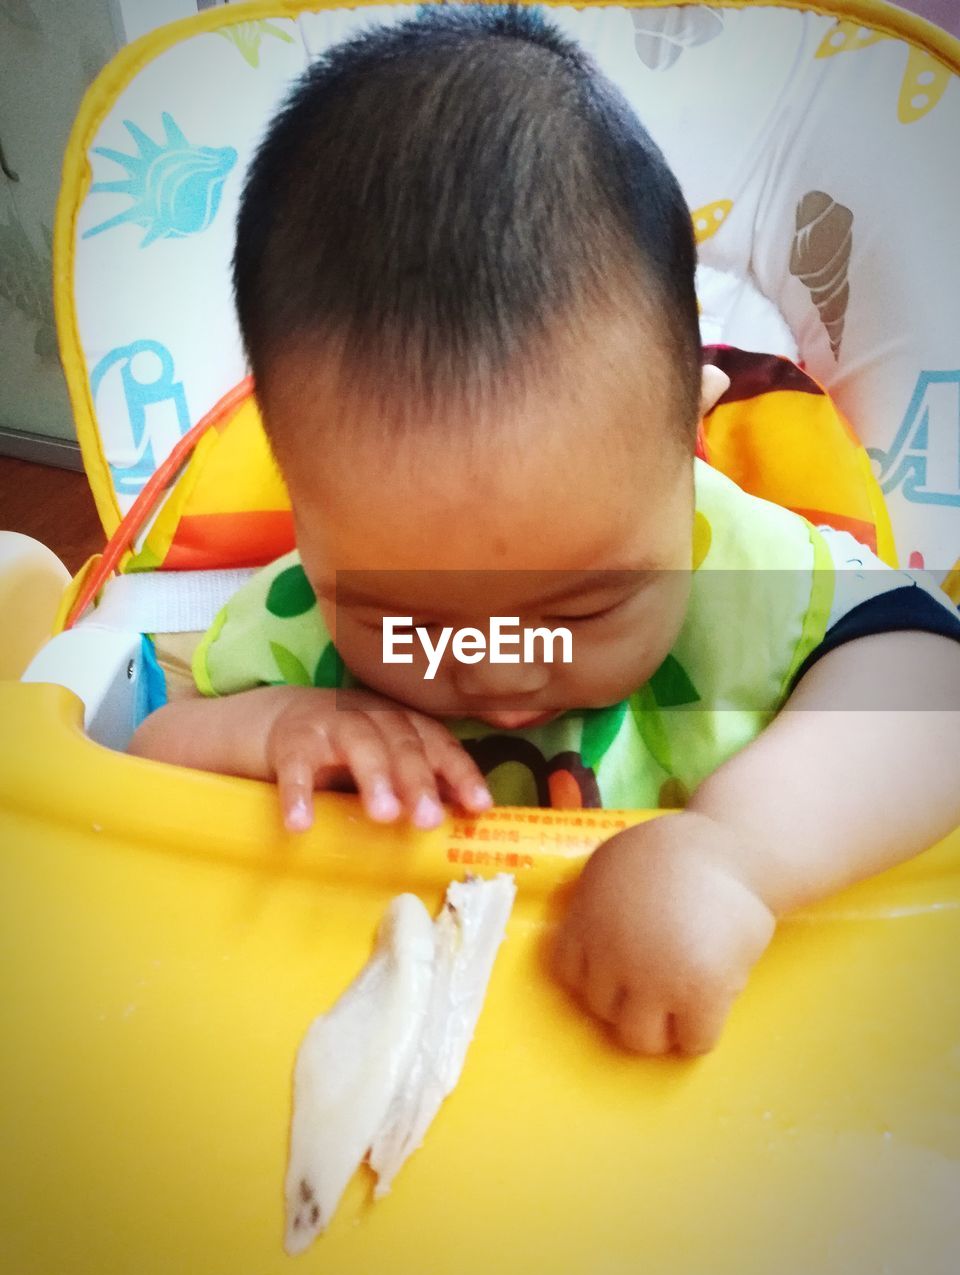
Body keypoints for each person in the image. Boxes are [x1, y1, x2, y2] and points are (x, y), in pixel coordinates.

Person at [130, 5, 960, 1056]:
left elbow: (935, 694)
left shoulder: (740, 567)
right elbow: (145, 758)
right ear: (305, 506)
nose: (500, 665)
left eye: (586, 604)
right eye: (405, 614)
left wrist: (741, 854)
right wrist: (271, 728)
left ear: (686, 438)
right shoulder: (310, 625)